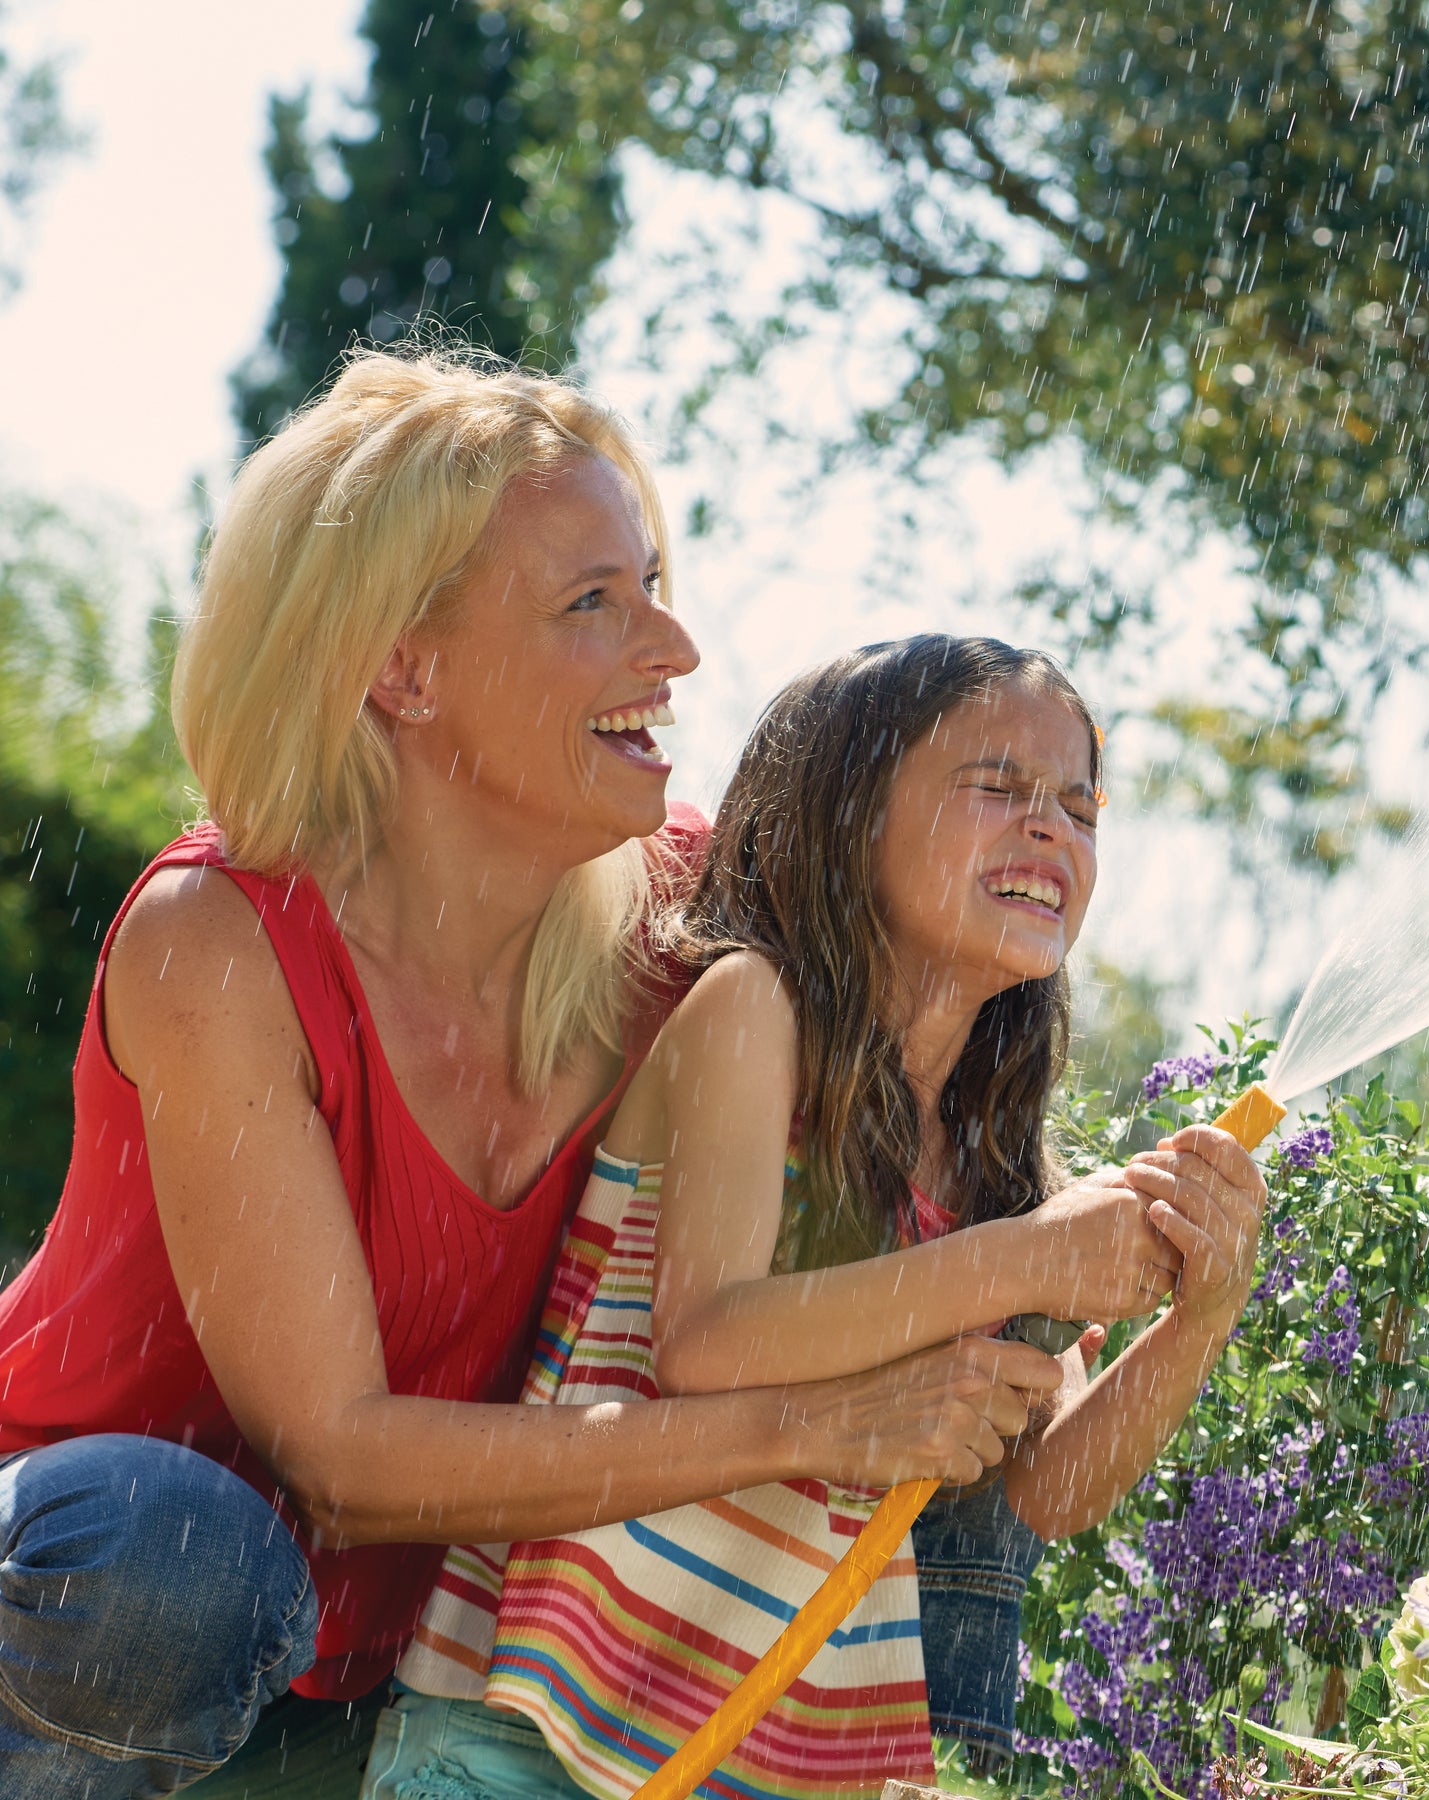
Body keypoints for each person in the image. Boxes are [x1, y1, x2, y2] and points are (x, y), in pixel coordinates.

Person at [0, 354, 1105, 1800]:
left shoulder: (684, 928)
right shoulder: (220, 945)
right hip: (103, 1615)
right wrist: (805, 1426)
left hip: (414, 1677)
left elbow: (923, 995)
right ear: (404, 664)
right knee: (184, 1562)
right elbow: (338, 1458)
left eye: (654, 582)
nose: (679, 648)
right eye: (598, 603)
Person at [360, 637, 1267, 1800]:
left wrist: (1202, 1309)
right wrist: (1028, 1258)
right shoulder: (755, 1008)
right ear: (846, 815)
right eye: (997, 786)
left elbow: (1048, 1489)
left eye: (1081, 809)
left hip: (752, 1765)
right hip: (527, 1731)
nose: (1051, 829)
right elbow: (709, 1339)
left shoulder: (999, 1164)